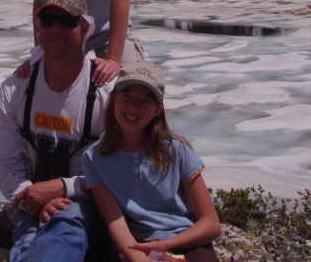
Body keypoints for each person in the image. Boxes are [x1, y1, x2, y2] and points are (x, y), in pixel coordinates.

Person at [0, 0, 116, 261]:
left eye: (67, 21)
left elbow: (120, 169)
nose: (55, 30)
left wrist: (64, 188)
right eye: (48, 21)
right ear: (38, 27)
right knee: (28, 241)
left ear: (85, 27)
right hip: (30, 201)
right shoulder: (16, 89)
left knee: (65, 223)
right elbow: (5, 162)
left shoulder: (107, 92)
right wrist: (29, 195)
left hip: (89, 201)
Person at [83, 58, 221, 262]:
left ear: (158, 110)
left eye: (145, 101)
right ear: (113, 99)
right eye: (127, 98)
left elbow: (210, 223)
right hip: (136, 242)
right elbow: (116, 224)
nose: (133, 108)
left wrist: (165, 247)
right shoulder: (95, 158)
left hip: (184, 238)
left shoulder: (177, 150)